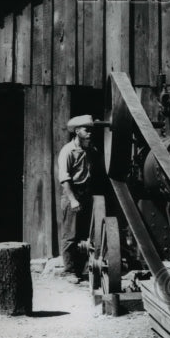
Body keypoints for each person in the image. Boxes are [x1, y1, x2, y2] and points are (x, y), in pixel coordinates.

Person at [57, 114, 103, 283]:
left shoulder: (92, 151)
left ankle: (81, 269)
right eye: (86, 129)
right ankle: (69, 271)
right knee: (70, 235)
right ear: (77, 131)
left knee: (85, 233)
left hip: (87, 194)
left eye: (91, 130)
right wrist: (73, 199)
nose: (90, 133)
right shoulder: (67, 151)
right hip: (72, 194)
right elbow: (64, 178)